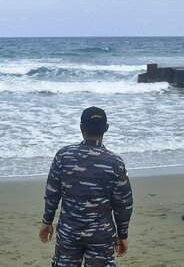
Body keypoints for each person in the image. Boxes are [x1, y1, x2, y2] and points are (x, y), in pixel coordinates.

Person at [39, 106, 133, 266]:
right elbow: (123, 204)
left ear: (81, 127)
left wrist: (47, 221)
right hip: (101, 234)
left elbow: (52, 193)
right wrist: (122, 235)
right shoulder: (115, 162)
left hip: (69, 231)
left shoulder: (63, 156)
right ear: (106, 128)